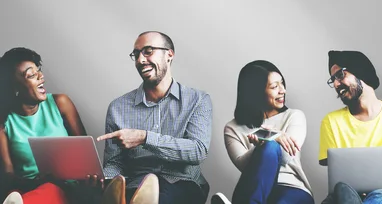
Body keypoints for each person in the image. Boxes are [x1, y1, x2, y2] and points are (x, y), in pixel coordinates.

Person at [98, 31, 212, 204]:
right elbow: (115, 162)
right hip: (134, 184)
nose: (140, 60)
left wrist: (145, 138)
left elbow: (197, 151)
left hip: (182, 182)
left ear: (169, 54)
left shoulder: (198, 100)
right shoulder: (118, 108)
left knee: (162, 196)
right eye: (136, 54)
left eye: (148, 51)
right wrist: (105, 178)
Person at [0, 47, 125, 204]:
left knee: (58, 190)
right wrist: (38, 182)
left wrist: (91, 177)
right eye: (31, 75)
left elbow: (86, 153)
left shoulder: (60, 103)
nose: (41, 77)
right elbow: (8, 175)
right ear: (15, 88)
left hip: (71, 187)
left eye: (38, 71)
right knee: (32, 192)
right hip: (29, 187)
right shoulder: (4, 122)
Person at [319, 50, 382, 204]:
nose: (336, 84)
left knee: (380, 195)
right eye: (332, 80)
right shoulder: (331, 121)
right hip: (349, 193)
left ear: (360, 72)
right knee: (339, 195)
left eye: (340, 75)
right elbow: (336, 174)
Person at [211, 60, 313, 204]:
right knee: (269, 145)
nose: (282, 90)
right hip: (253, 187)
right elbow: (244, 166)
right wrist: (264, 142)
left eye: (282, 83)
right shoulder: (232, 128)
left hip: (290, 188)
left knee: (270, 146)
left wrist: (269, 139)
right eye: (274, 86)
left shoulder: (294, 116)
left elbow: (287, 157)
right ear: (256, 92)